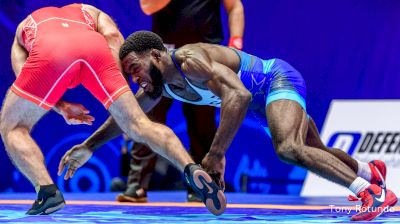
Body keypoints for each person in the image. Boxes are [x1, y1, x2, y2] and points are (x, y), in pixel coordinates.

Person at [62, 31, 397, 221]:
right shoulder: (158, 86)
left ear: (156, 54)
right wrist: (87, 146)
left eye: (135, 68)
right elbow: (126, 118)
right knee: (313, 152)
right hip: (256, 105)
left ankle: (371, 193)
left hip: (273, 81)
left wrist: (217, 153)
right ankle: (370, 171)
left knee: (288, 149)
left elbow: (238, 94)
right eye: (129, 75)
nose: (134, 78)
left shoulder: (189, 59)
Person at [0, 5, 226, 216]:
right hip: (94, 49)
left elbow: (25, 76)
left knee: (14, 127)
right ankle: (190, 167)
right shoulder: (89, 11)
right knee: (140, 124)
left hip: (50, 51)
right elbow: (114, 38)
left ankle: (47, 192)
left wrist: (60, 106)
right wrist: (124, 100)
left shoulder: (25, 27)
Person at [115, 0, 245, 203]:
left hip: (205, 53)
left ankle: (202, 187)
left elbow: (234, 6)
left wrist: (235, 42)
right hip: (162, 59)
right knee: (148, 119)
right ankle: (137, 186)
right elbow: (147, 7)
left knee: (203, 124)